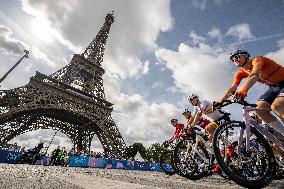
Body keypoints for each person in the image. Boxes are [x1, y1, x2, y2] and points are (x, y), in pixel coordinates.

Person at [218, 49, 284, 140]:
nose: (235, 60)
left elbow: (254, 75)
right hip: (273, 87)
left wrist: (243, 90)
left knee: (277, 106)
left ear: (246, 56)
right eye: (232, 60)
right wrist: (221, 101)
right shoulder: (240, 72)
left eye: (237, 57)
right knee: (259, 109)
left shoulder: (257, 60)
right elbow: (233, 87)